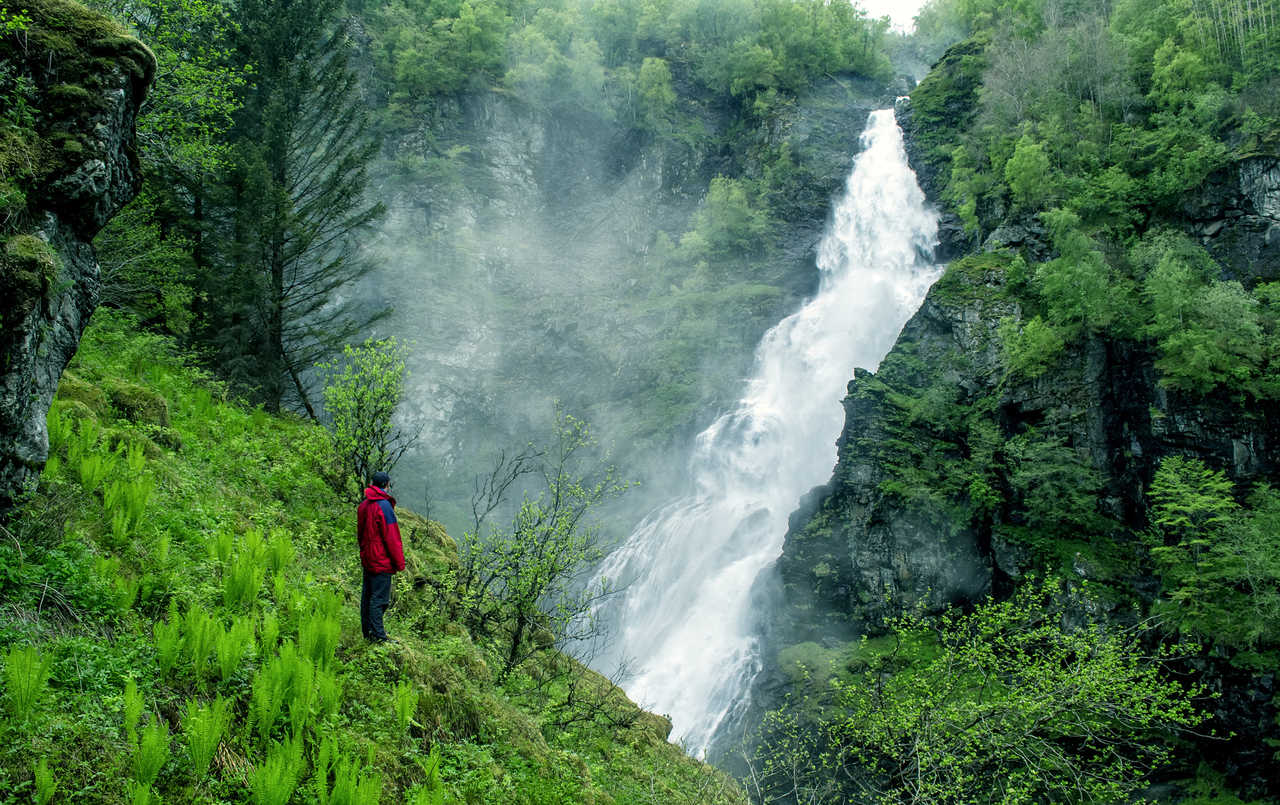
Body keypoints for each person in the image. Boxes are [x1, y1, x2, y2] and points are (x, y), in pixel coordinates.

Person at [356, 470, 405, 642]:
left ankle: (367, 633)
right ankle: (378, 636)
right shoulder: (384, 507)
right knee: (380, 600)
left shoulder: (363, 505)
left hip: (368, 559)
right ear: (387, 485)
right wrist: (399, 563)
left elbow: (360, 534)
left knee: (367, 597)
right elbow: (392, 538)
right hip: (381, 561)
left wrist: (364, 553)